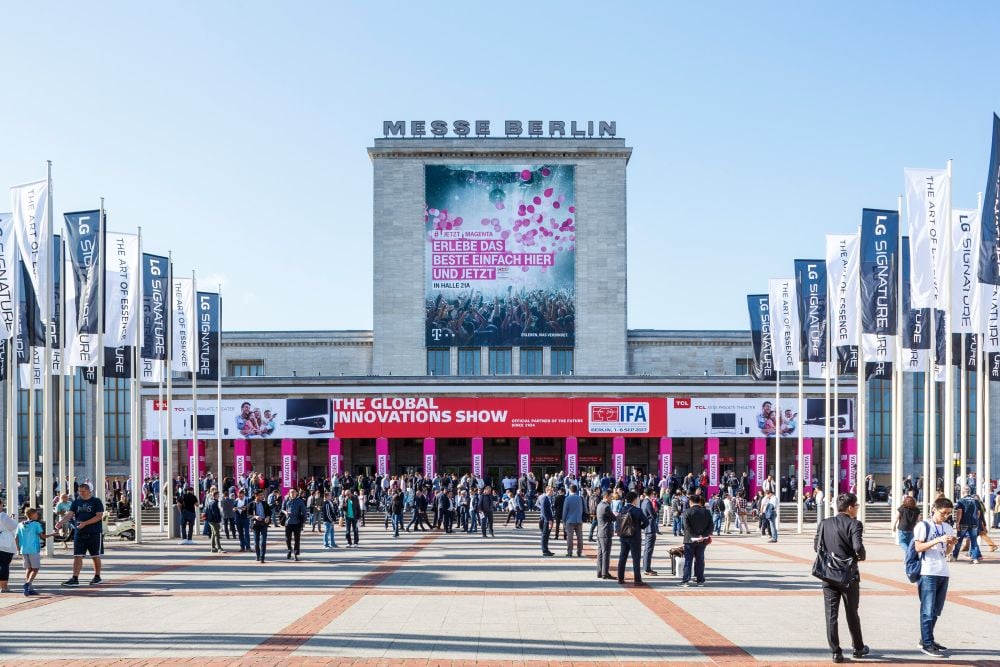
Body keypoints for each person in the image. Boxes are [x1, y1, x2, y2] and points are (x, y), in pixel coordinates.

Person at [814, 493, 869, 663]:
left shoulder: (825, 523)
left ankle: (835, 651)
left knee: (831, 614)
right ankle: (858, 647)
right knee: (852, 612)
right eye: (857, 506)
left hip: (828, 574)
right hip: (848, 575)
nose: (857, 509)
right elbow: (858, 546)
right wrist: (861, 555)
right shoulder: (854, 524)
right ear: (850, 507)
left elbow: (816, 546)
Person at [913, 497, 958, 658]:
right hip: (928, 572)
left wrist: (952, 544)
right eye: (943, 513)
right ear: (934, 509)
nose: (945, 516)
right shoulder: (923, 526)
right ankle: (927, 643)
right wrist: (937, 539)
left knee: (936, 610)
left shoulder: (947, 527)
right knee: (927, 610)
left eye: (948, 513)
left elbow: (945, 552)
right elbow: (918, 547)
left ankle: (926, 638)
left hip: (943, 572)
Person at [57, 483, 105, 587]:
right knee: (77, 555)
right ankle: (75, 578)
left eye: (83, 491)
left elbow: (99, 516)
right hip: (79, 533)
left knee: (95, 555)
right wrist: (61, 522)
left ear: (89, 491)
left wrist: (85, 523)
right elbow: (70, 514)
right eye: (79, 491)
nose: (81, 493)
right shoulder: (76, 502)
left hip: (94, 532)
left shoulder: (96, 501)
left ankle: (97, 576)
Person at [15, 508, 55, 596]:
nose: (37, 515)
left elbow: (16, 538)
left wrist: (18, 549)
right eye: (36, 514)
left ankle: (29, 588)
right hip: (33, 549)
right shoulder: (36, 524)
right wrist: (53, 534)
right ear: (32, 515)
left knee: (28, 568)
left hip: (24, 549)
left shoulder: (20, 524)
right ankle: (28, 583)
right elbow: (43, 536)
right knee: (35, 568)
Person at [616, 491, 648, 585]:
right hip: (634, 537)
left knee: (622, 557)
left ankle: (620, 578)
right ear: (634, 499)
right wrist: (639, 528)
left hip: (623, 536)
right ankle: (637, 580)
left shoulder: (622, 509)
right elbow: (646, 522)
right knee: (636, 558)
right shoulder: (637, 510)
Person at [680, 494, 712, 587]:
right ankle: (700, 580)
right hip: (702, 540)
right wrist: (703, 536)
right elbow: (711, 526)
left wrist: (696, 536)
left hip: (690, 540)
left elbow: (686, 527)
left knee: (688, 560)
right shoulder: (706, 512)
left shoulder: (687, 512)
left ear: (690, 502)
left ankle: (686, 580)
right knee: (700, 559)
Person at [950, 487, 983, 564]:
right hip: (974, 523)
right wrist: (976, 520)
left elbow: (959, 512)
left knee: (959, 540)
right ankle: (975, 558)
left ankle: (955, 556)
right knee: (974, 541)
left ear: (962, 492)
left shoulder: (961, 501)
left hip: (963, 523)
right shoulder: (975, 500)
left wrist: (957, 522)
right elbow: (978, 513)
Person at [595, 491, 615, 580]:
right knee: (606, 553)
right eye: (611, 497)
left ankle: (599, 572)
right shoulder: (606, 507)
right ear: (606, 496)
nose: (612, 499)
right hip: (606, 532)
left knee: (600, 553)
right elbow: (613, 518)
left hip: (600, 531)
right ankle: (605, 573)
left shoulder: (599, 505)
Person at [640, 489, 660, 576]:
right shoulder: (648, 502)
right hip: (650, 527)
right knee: (649, 549)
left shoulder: (644, 501)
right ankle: (647, 568)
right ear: (651, 494)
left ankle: (646, 567)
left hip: (646, 526)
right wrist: (655, 511)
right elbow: (654, 515)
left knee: (646, 549)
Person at [0, 497, 17, 594]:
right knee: (4, 564)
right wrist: (12, 518)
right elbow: (13, 525)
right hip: (4, 543)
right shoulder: (2, 515)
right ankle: (3, 586)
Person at [562, 484, 584, 557]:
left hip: (569, 520)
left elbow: (565, 511)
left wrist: (563, 520)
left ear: (570, 490)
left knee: (570, 537)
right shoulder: (580, 498)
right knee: (580, 537)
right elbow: (582, 509)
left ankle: (569, 552)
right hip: (578, 520)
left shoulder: (567, 499)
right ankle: (579, 551)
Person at [250, 490, 271, 563]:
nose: (262, 496)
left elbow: (269, 512)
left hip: (263, 524)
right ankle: (258, 555)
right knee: (256, 542)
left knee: (263, 542)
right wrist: (255, 517)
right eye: (261, 495)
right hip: (256, 525)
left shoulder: (265, 503)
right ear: (256, 496)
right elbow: (248, 515)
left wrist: (268, 517)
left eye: (262, 495)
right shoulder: (251, 504)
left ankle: (262, 557)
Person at [538, 486, 555, 556]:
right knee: (545, 535)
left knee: (546, 535)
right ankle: (545, 550)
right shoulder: (544, 498)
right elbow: (544, 510)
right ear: (548, 491)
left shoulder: (545, 498)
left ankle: (546, 549)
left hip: (546, 519)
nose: (553, 492)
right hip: (545, 520)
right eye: (552, 491)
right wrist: (548, 520)